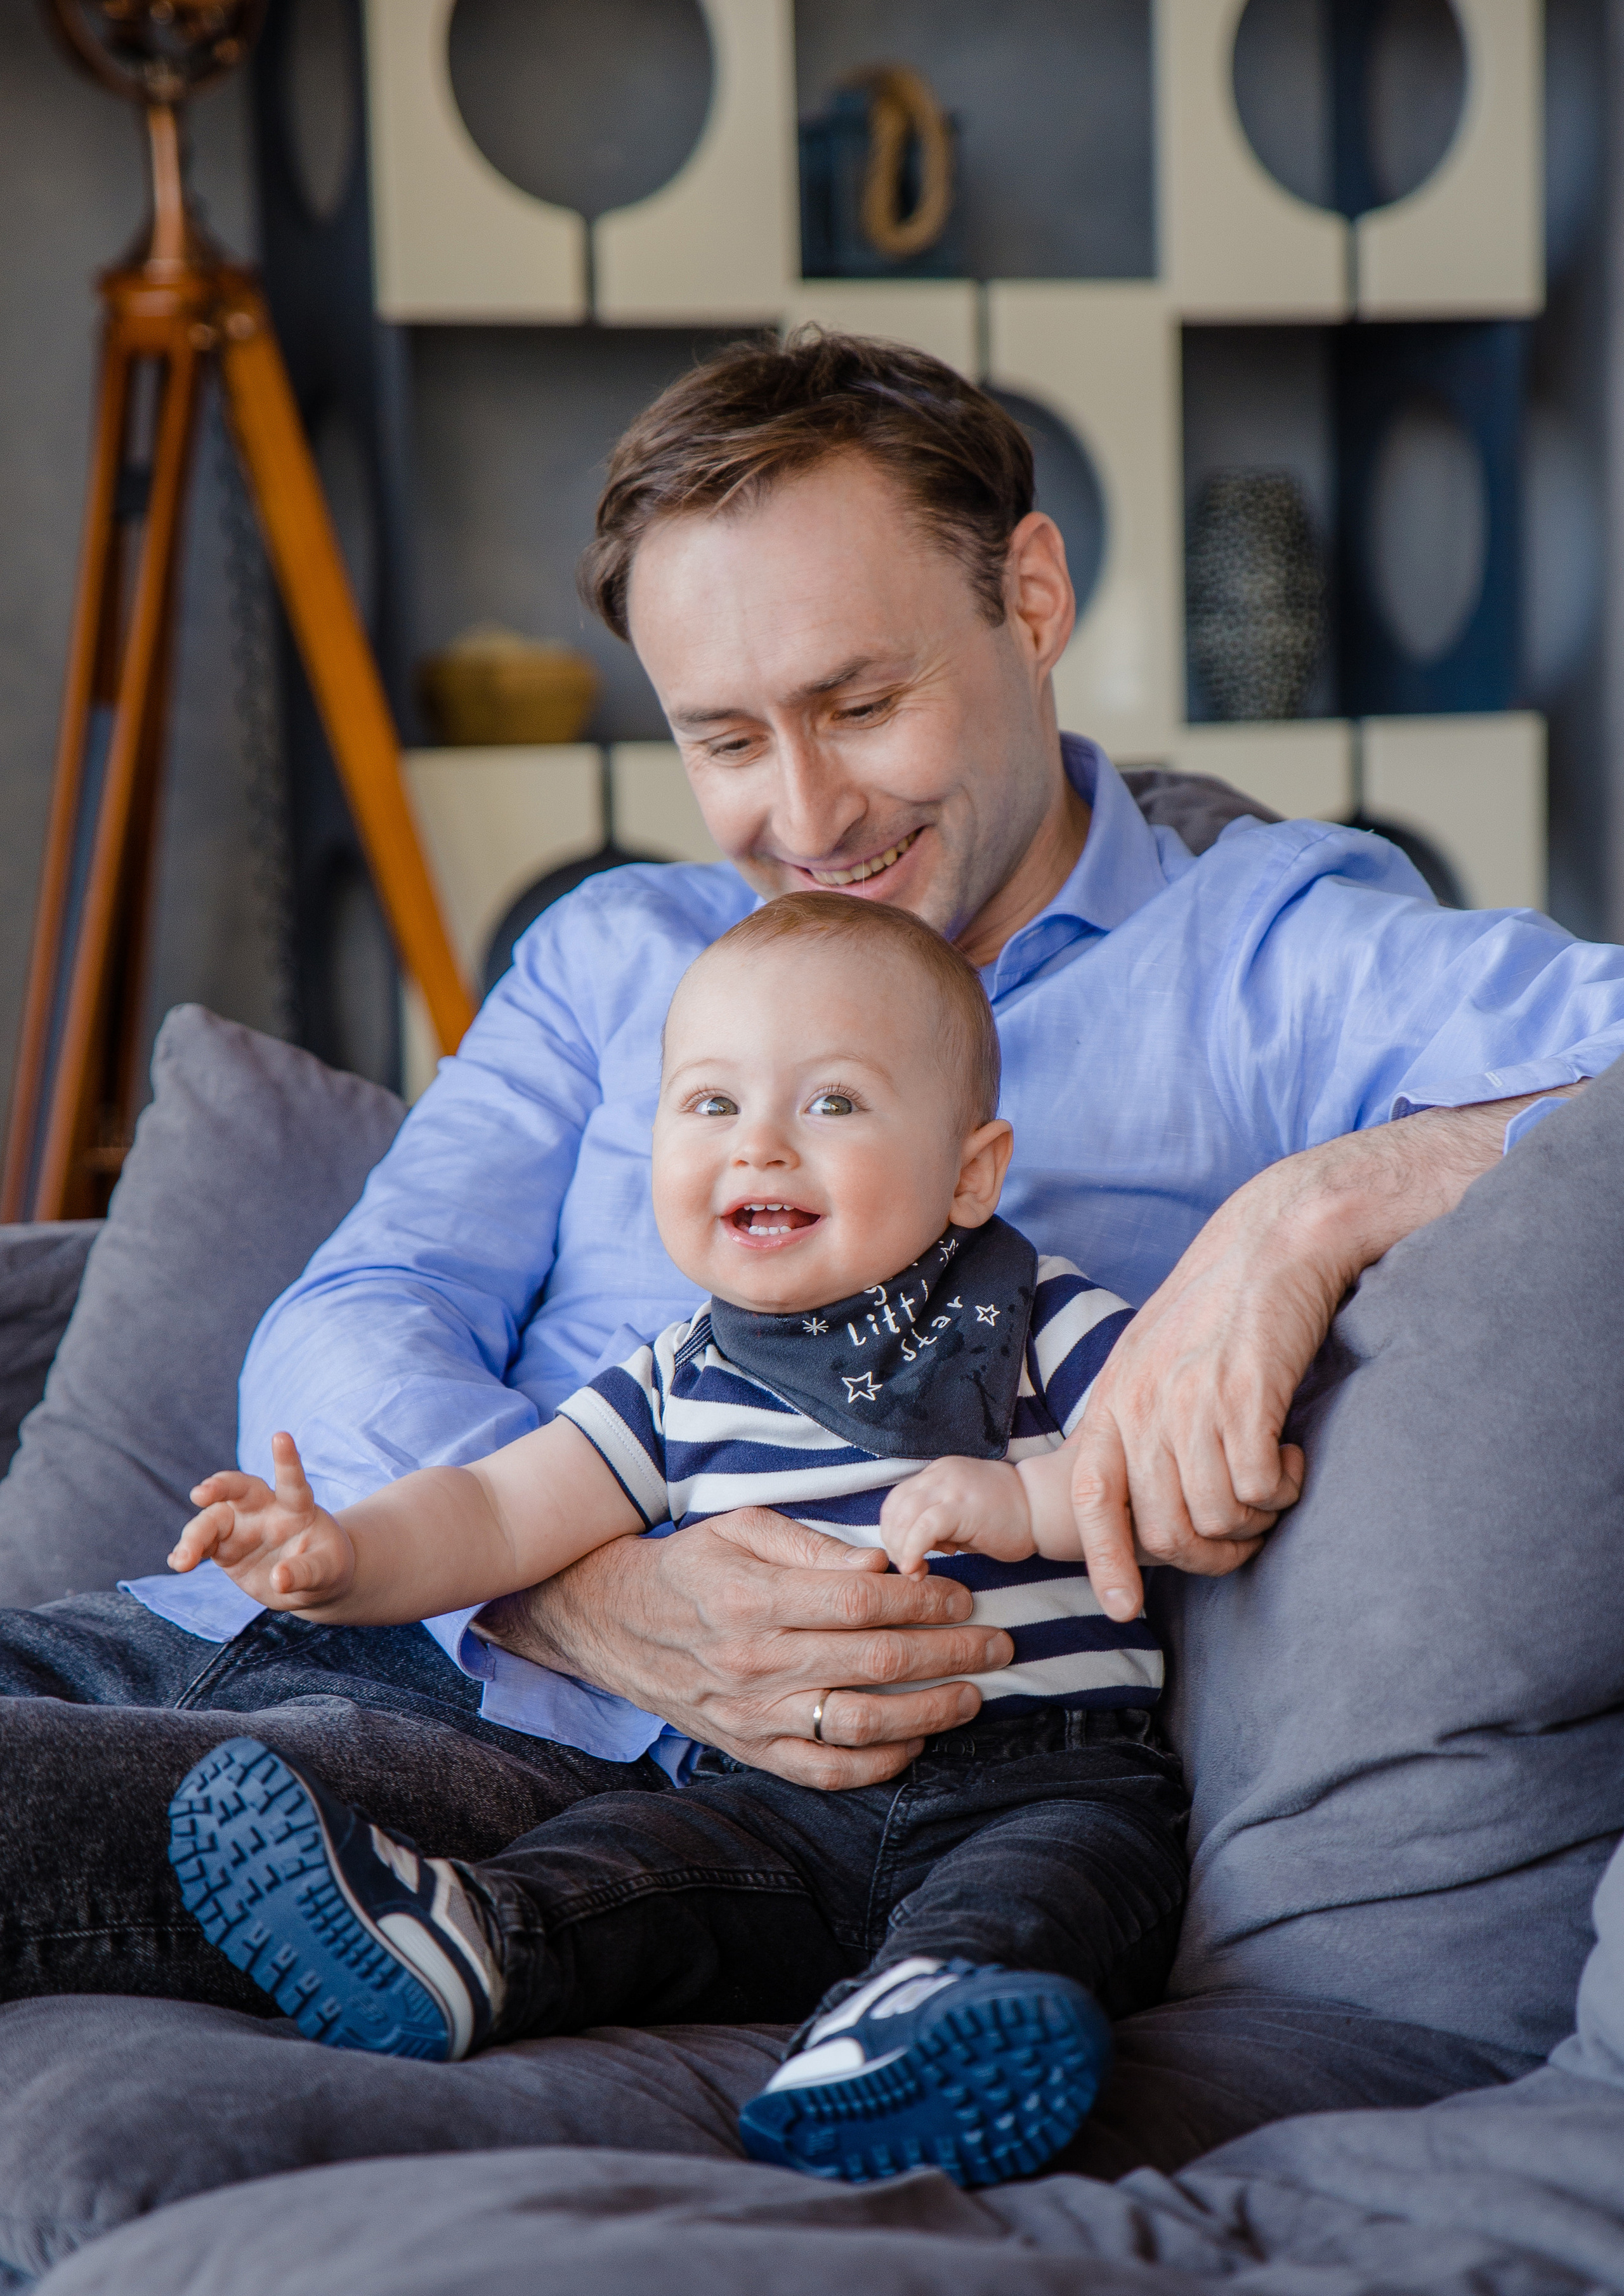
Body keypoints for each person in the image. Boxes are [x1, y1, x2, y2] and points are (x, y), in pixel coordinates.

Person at [2, 330, 1623, 2170]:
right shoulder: (623, 951)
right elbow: (359, 1312)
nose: (806, 814)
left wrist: (1317, 1204)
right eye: (724, 738)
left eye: (859, 702)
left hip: (599, 1788)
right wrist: (576, 1580)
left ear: (1029, 594)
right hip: (324, 1605)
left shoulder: (1261, 961)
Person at [164, 894, 1189, 2190]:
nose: (757, 1144)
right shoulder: (673, 1380)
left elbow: (1172, 1469)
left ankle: (907, 2037)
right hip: (771, 1803)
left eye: (829, 1105)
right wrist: (343, 1555)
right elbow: (491, 1514)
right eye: (709, 1106)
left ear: (968, 1171)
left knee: (1057, 1894)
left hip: (1040, 1782)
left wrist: (1026, 1507)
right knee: (635, 1873)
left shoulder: (1036, 1316)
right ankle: (463, 1939)